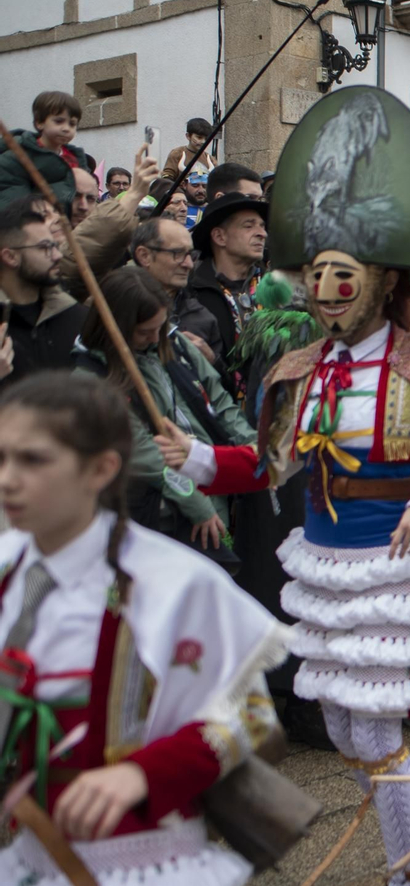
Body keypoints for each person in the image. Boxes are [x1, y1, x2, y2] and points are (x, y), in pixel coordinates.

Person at [156, 90, 410, 886]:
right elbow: (270, 465)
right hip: (324, 561)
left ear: (384, 279)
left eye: (340, 277)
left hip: (395, 565)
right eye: (314, 277)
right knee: (350, 730)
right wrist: (192, 459)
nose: (324, 291)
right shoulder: (301, 368)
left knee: (377, 728)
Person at [0, 373, 286, 886]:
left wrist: (142, 773)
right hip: (25, 852)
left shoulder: (173, 583)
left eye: (32, 460)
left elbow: (253, 716)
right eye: (0, 457)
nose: (7, 479)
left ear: (101, 469)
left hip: (131, 863)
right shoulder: (8, 565)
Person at [73, 265, 252, 566]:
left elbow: (220, 403)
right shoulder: (91, 379)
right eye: (145, 332)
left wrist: (251, 448)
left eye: (160, 326)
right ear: (116, 327)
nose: (156, 337)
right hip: (155, 514)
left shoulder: (175, 345)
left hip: (210, 485)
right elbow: (146, 456)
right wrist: (197, 503)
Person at [188, 190, 269, 399]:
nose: (262, 233)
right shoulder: (192, 294)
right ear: (219, 236)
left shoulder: (275, 287)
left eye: (262, 226)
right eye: (249, 226)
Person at [0, 198, 86, 386]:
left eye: (54, 246)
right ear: (10, 257)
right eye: (45, 248)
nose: (57, 255)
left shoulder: (74, 316)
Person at [0, 91, 90, 209]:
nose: (66, 128)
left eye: (72, 124)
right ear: (39, 123)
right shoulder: (18, 156)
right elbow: (13, 202)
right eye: (59, 121)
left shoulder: (76, 159)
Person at [160, 116, 215, 182]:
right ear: (188, 136)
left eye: (206, 138)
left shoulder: (210, 159)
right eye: (199, 137)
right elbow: (167, 178)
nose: (203, 141)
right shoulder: (177, 153)